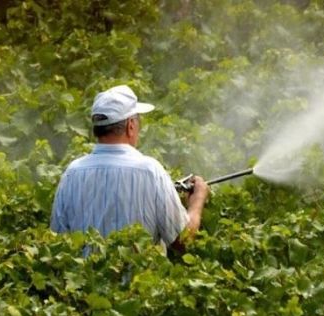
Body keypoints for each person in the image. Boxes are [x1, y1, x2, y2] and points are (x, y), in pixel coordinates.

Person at [50, 85, 209, 254]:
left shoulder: (72, 173)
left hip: (86, 280)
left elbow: (57, 243)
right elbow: (183, 241)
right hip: (139, 281)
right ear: (130, 125)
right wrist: (197, 200)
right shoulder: (150, 171)